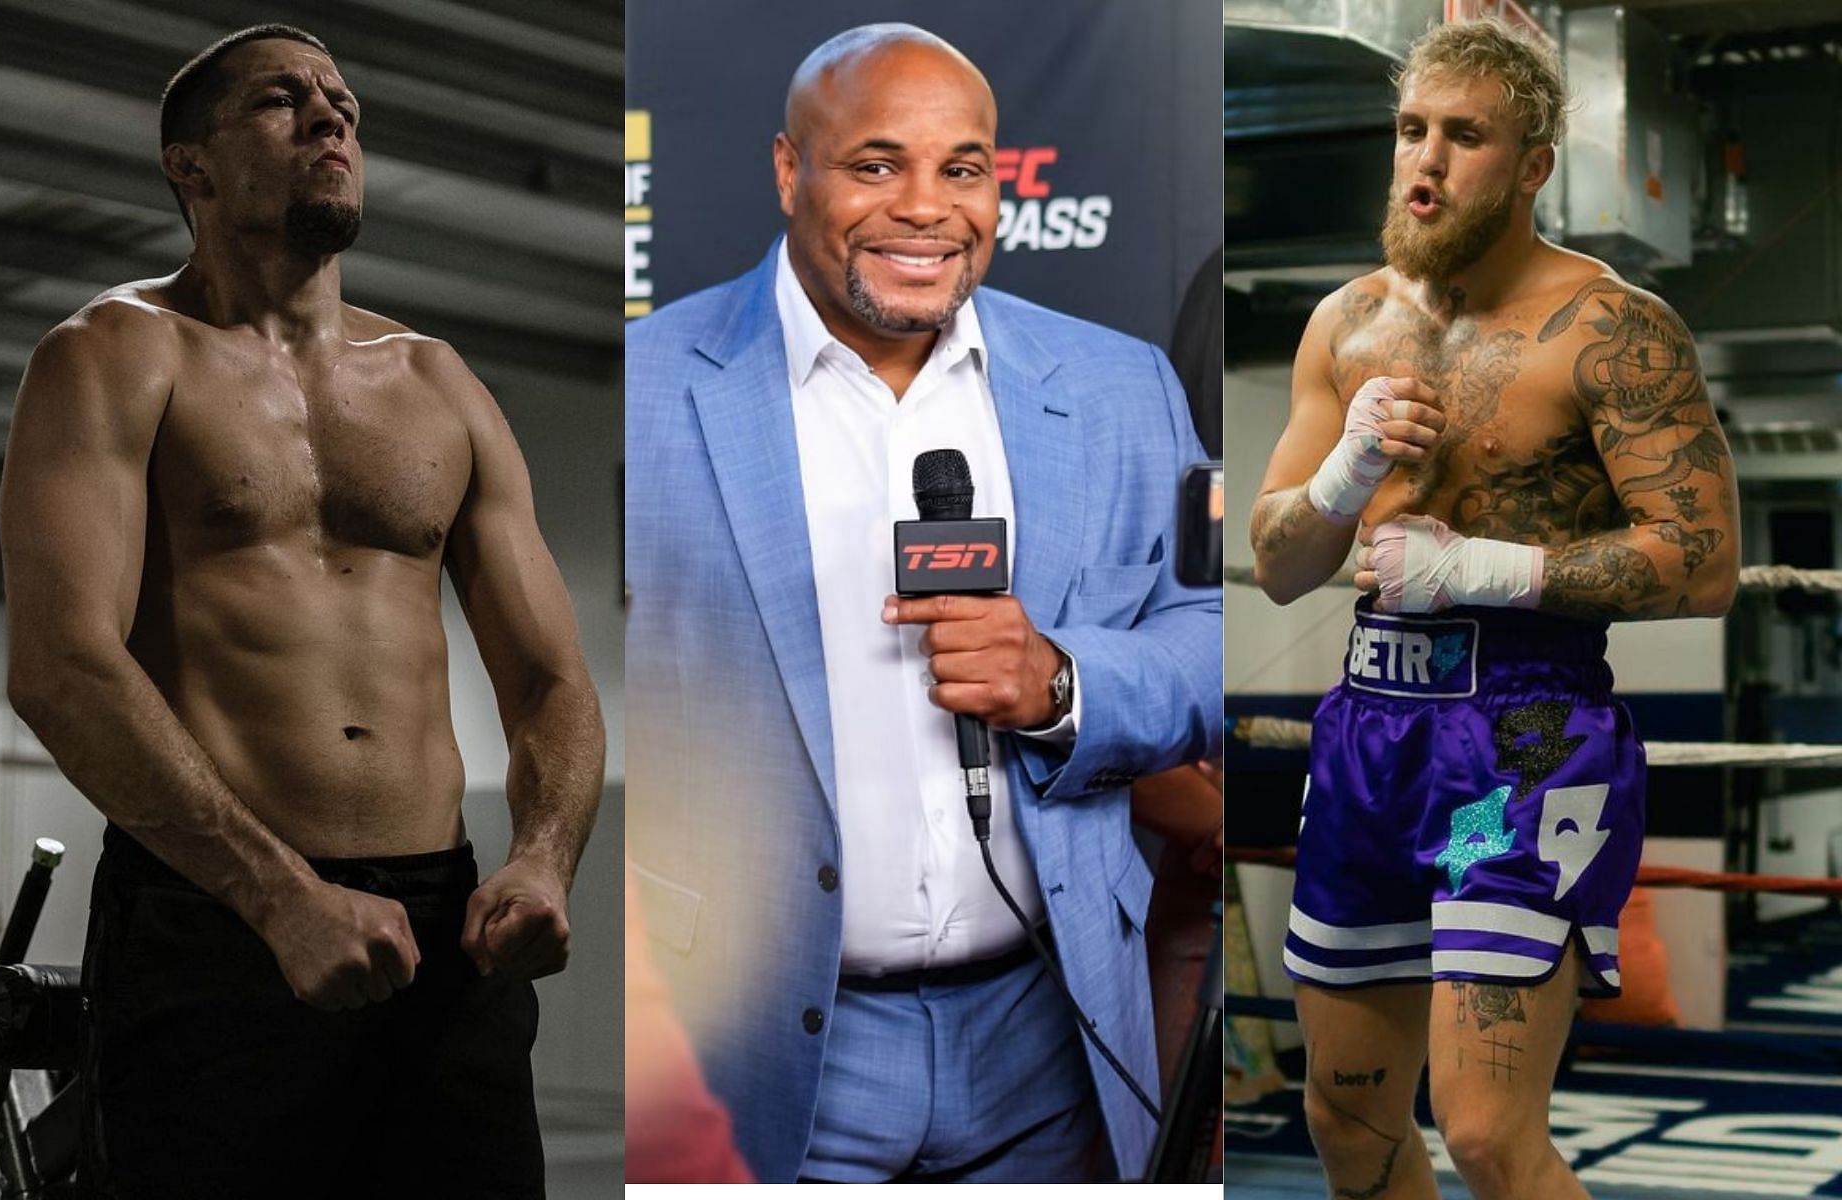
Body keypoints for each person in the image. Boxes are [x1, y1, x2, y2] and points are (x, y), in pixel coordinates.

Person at [0, 24, 603, 1199]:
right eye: (284, 101)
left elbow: (549, 684)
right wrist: (279, 896)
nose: (334, 119)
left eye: (344, 103)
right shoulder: (116, 353)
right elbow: (63, 666)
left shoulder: (440, 384)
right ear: (191, 164)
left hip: (443, 929)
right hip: (212, 921)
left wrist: (540, 863)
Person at [624, 22, 1220, 1183]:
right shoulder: (652, 386)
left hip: (1053, 1034)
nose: (926, 208)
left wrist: (1060, 681)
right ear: (792, 171)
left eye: (962, 169)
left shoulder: (1117, 384)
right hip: (762, 1045)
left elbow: (1206, 636)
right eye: (876, 164)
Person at [1250, 19, 1737, 1200]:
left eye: (1465, 136)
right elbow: (1278, 561)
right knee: (1345, 1124)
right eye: (1412, 130)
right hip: (1372, 730)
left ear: (1532, 165)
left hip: (1524, 741)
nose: (1425, 161)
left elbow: (1703, 560)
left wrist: (1486, 569)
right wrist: (1339, 482)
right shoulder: (1346, 324)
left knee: (1482, 1132)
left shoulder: (1612, 328)